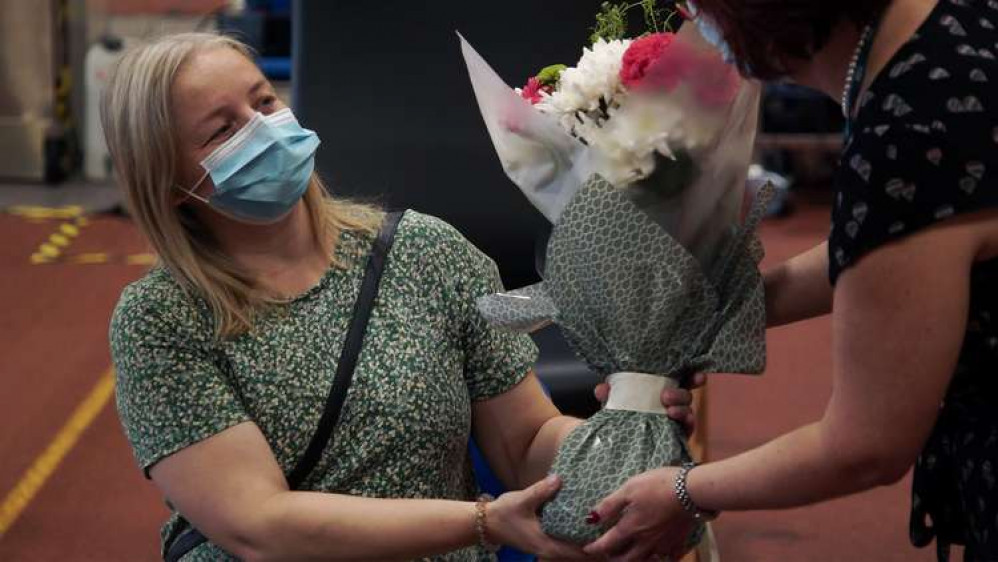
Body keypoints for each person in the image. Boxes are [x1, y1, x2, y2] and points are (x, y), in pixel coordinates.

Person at [102, 33, 694, 562]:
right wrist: (483, 522)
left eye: (263, 102)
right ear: (170, 183)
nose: (261, 130)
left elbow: (526, 443)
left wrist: (622, 436)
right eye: (222, 130)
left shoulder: (426, 252)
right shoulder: (161, 319)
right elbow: (262, 528)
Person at [582, 0, 998, 561]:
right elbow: (901, 244)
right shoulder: (949, 29)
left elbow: (864, 447)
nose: (688, 14)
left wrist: (684, 491)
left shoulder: (909, 129)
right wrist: (719, 314)